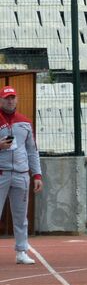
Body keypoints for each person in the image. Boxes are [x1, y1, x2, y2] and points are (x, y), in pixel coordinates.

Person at [0, 86, 42, 264]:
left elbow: (32, 151)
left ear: (17, 99)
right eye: (6, 98)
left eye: (12, 98)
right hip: (1, 173)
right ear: (1, 100)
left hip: (21, 174)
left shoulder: (25, 122)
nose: (10, 101)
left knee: (20, 215)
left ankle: (21, 251)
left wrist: (37, 175)